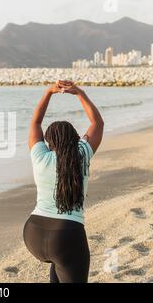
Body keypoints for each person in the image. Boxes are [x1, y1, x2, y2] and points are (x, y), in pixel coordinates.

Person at [24, 80, 104, 283]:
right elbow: (97, 123)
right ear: (75, 138)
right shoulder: (81, 154)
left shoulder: (40, 155)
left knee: (58, 267)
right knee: (65, 260)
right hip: (67, 235)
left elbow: (34, 123)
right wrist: (80, 93)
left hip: (33, 232)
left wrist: (48, 92)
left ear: (48, 141)